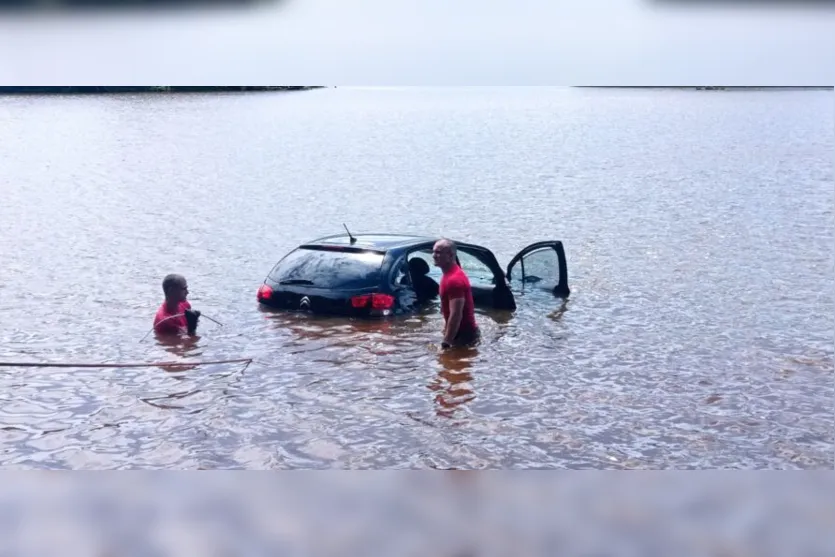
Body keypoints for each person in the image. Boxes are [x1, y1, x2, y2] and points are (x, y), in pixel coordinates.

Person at [432, 239, 479, 348]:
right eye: (433, 252)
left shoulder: (454, 280)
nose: (434, 255)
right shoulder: (449, 274)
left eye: (438, 253)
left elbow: (456, 314)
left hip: (464, 335)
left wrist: (446, 342)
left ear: (450, 255)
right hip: (459, 333)